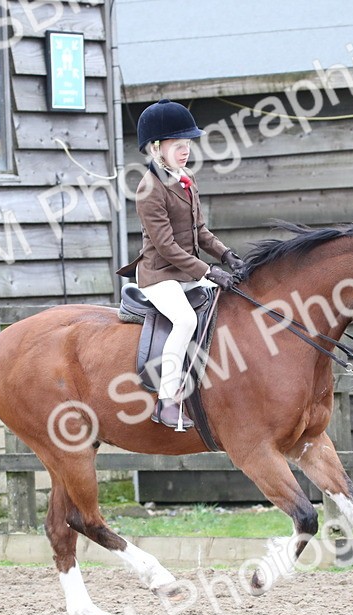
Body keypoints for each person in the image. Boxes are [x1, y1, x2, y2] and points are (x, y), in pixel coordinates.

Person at [118, 99, 244, 430]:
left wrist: (225, 254)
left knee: (231, 302)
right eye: (178, 145)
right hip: (160, 276)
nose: (185, 150)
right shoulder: (149, 189)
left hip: (187, 272)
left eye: (187, 144)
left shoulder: (186, 178)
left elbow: (199, 231)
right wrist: (208, 271)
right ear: (156, 147)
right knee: (186, 320)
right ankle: (167, 400)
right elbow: (167, 247)